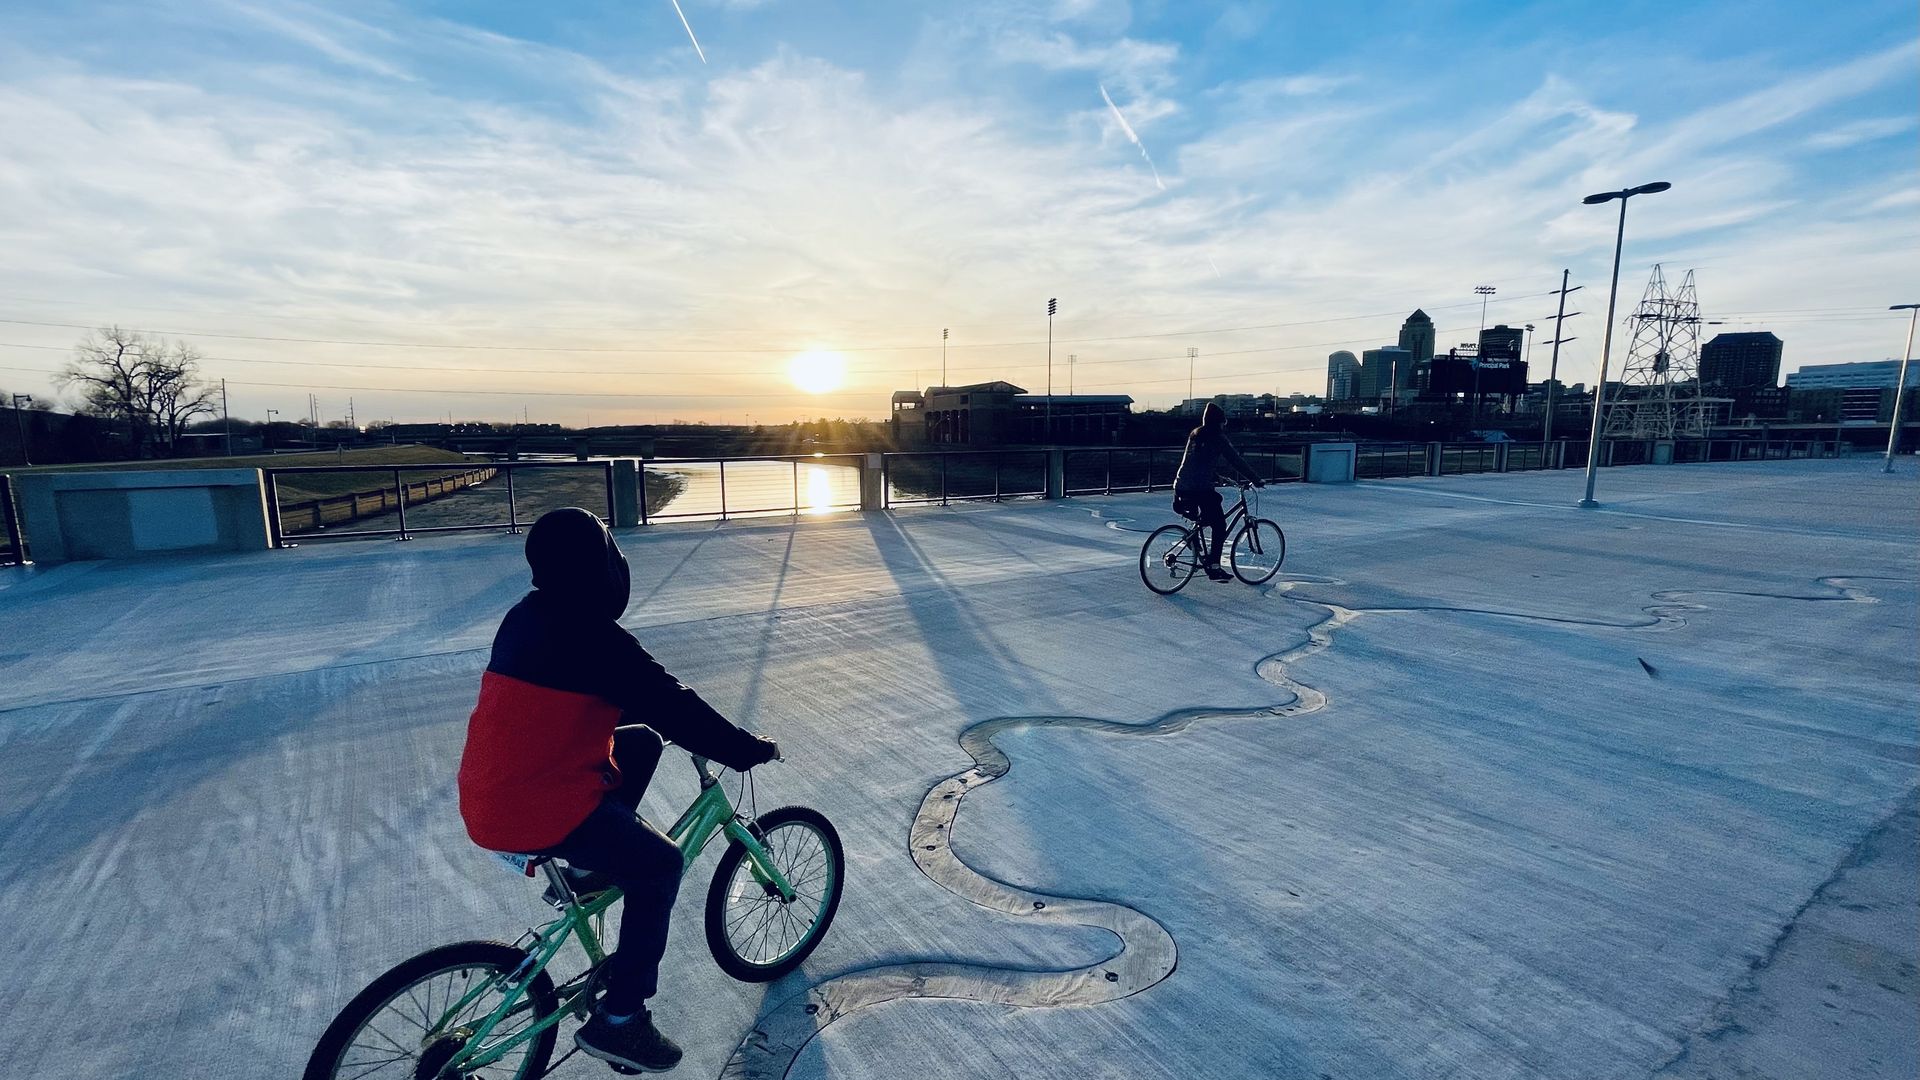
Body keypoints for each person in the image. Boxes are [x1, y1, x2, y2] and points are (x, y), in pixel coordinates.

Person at [457, 507, 779, 1072]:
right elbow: (669, 699)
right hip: (534, 808)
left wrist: (660, 715)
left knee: (640, 742)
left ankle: (584, 869)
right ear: (603, 567)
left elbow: (607, 700)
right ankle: (621, 1020)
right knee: (658, 864)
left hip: (488, 792)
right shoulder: (596, 638)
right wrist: (743, 748)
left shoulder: (526, 619)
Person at [1171, 402, 1264, 582]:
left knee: (1209, 513)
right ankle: (1214, 566)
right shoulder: (1217, 437)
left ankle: (1193, 539)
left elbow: (1196, 461)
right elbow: (1235, 459)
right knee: (1219, 525)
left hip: (1181, 485)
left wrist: (1215, 476)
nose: (1223, 426)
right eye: (1223, 423)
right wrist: (1256, 479)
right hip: (1198, 488)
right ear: (1218, 422)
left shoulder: (1196, 434)